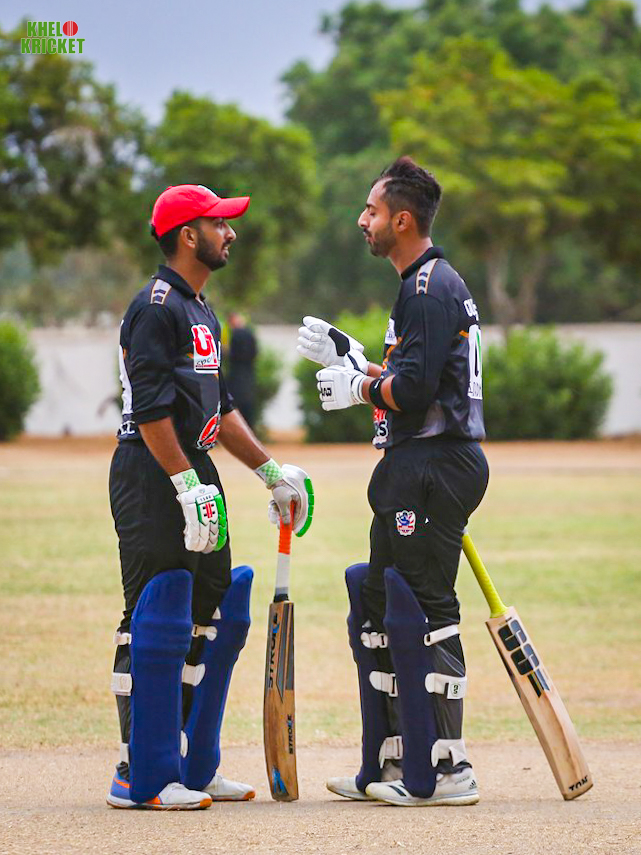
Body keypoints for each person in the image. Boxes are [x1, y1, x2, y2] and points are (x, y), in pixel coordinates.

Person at [107, 184, 313, 810]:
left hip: (194, 467)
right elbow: (150, 410)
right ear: (188, 235)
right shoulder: (155, 307)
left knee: (209, 609)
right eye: (220, 223)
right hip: (152, 472)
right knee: (152, 612)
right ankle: (137, 770)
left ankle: (191, 764)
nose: (231, 233)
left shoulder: (201, 309)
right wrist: (182, 483)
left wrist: (271, 473)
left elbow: (219, 410)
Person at [297, 157, 488, 807]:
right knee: (380, 605)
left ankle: (447, 768)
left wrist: (358, 387)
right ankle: (391, 761)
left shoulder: (427, 288)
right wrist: (352, 356)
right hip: (414, 465)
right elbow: (408, 374)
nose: (363, 220)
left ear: (401, 220)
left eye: (372, 211)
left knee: (426, 608)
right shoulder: (422, 284)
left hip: (435, 463)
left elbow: (412, 392)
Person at [226, 312, 258, 428]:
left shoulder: (236, 334)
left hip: (237, 377)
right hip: (248, 376)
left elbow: (232, 354)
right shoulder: (250, 333)